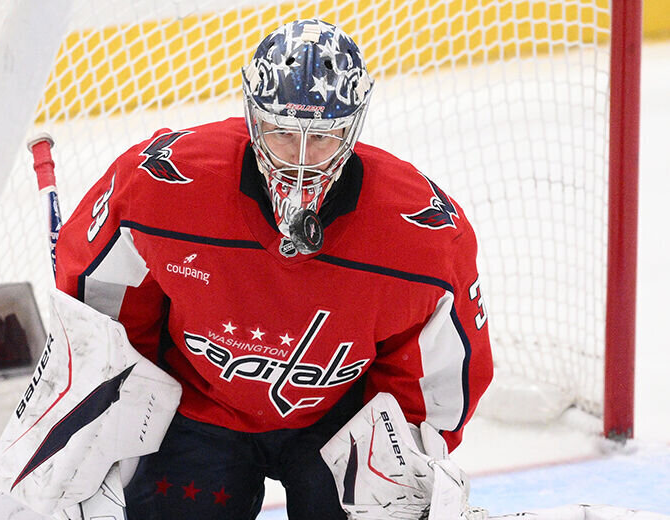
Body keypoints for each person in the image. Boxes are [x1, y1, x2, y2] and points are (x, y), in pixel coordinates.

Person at [55, 18, 493, 520]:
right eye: (282, 132)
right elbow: (102, 308)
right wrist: (109, 404)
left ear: (352, 128)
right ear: (253, 117)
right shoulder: (161, 185)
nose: (301, 160)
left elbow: (437, 373)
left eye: (322, 137)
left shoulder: (423, 233)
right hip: (195, 408)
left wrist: (403, 454)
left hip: (342, 424)